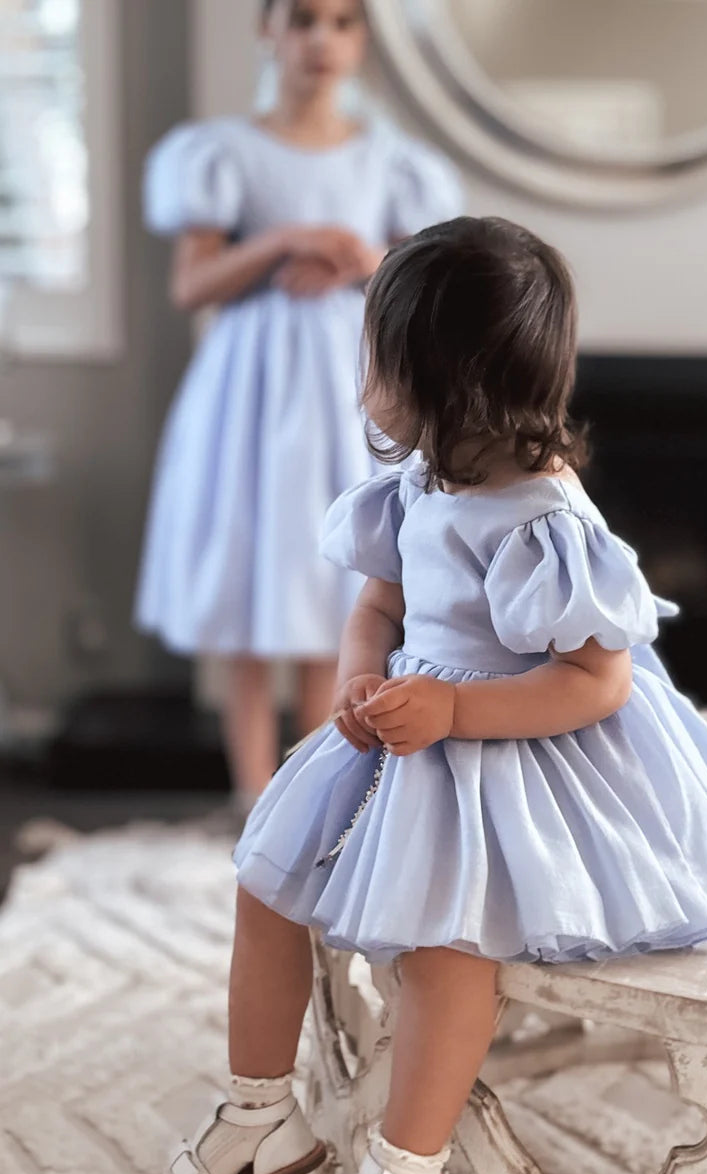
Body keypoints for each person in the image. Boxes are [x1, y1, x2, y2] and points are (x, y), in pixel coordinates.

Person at [153, 217, 707, 1174]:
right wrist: (357, 676)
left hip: (518, 742)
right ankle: (259, 1111)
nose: (363, 376)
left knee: (443, 948)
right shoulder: (422, 480)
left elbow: (595, 680)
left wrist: (457, 717)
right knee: (264, 877)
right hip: (407, 723)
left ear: (444, 379)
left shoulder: (544, 515)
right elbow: (376, 604)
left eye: (377, 357)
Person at [136, 0, 462, 806]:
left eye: (345, 22)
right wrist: (284, 239)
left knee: (332, 583)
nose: (324, 39)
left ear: (360, 41)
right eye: (306, 19)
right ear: (269, 31)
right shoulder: (222, 152)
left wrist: (362, 257)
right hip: (248, 391)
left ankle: (316, 789)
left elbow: (422, 278)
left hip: (346, 388)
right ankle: (253, 795)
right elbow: (191, 283)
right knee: (250, 573)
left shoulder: (391, 161)